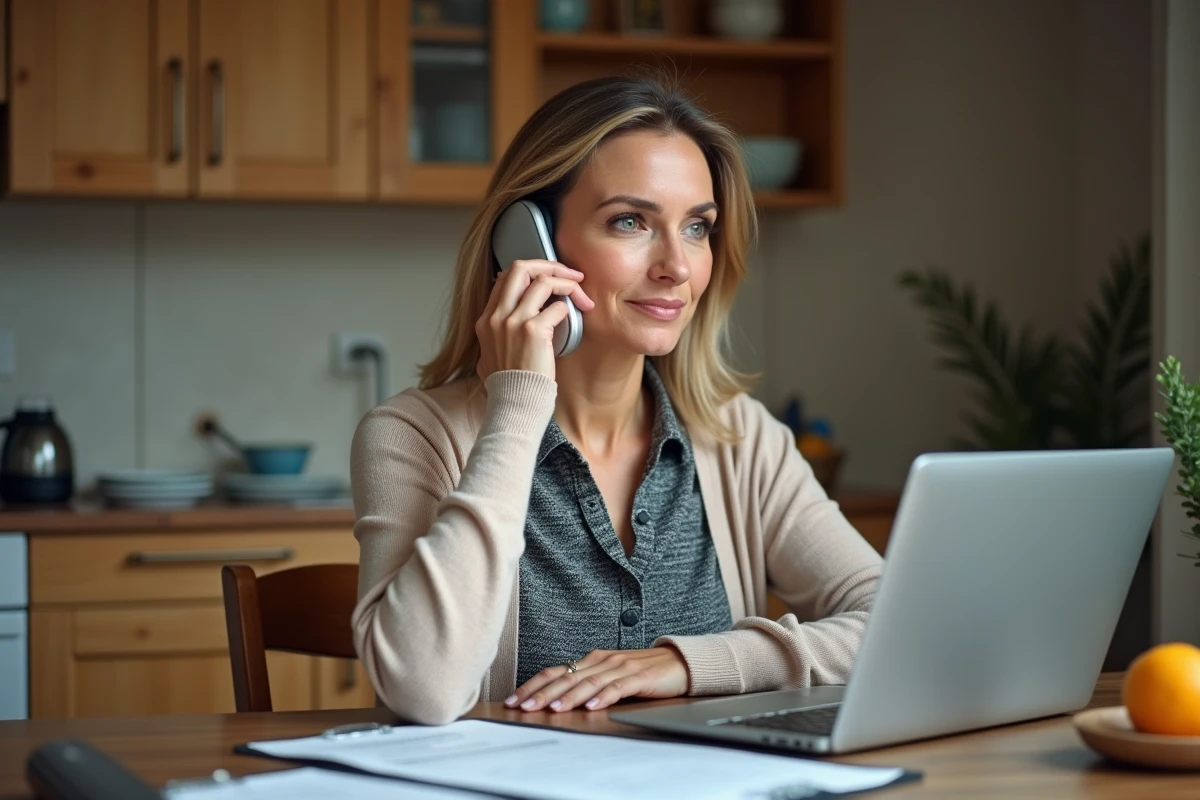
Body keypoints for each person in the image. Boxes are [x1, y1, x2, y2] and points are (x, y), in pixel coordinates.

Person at [351, 74, 883, 725]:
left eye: (697, 227)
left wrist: (693, 664)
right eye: (630, 222)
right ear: (525, 241)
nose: (677, 267)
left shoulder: (737, 438)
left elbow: (895, 618)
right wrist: (516, 407)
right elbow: (422, 689)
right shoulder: (411, 435)